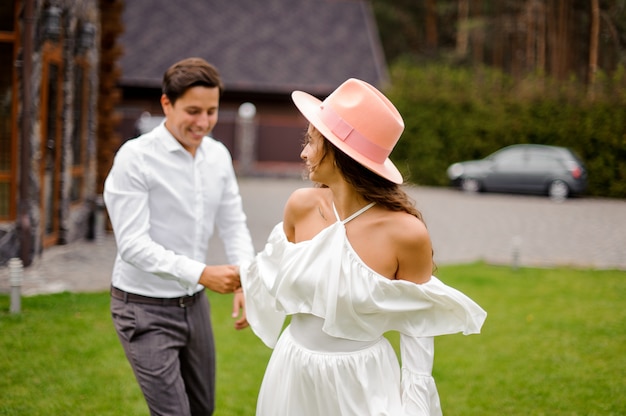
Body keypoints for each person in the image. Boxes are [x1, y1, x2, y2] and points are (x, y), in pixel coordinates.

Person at [238, 78, 487, 415]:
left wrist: (415, 405)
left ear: (338, 152)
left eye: (311, 142)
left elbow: (417, 326)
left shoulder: (407, 234)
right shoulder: (300, 206)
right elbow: (271, 268)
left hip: (361, 380)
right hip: (292, 369)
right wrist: (240, 281)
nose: (303, 152)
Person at [104, 57, 254, 416]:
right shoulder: (135, 158)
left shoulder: (218, 156)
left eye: (212, 111)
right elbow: (132, 246)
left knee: (203, 409)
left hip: (194, 305)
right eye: (193, 111)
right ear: (166, 104)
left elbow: (234, 223)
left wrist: (245, 279)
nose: (203, 122)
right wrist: (203, 272)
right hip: (142, 307)